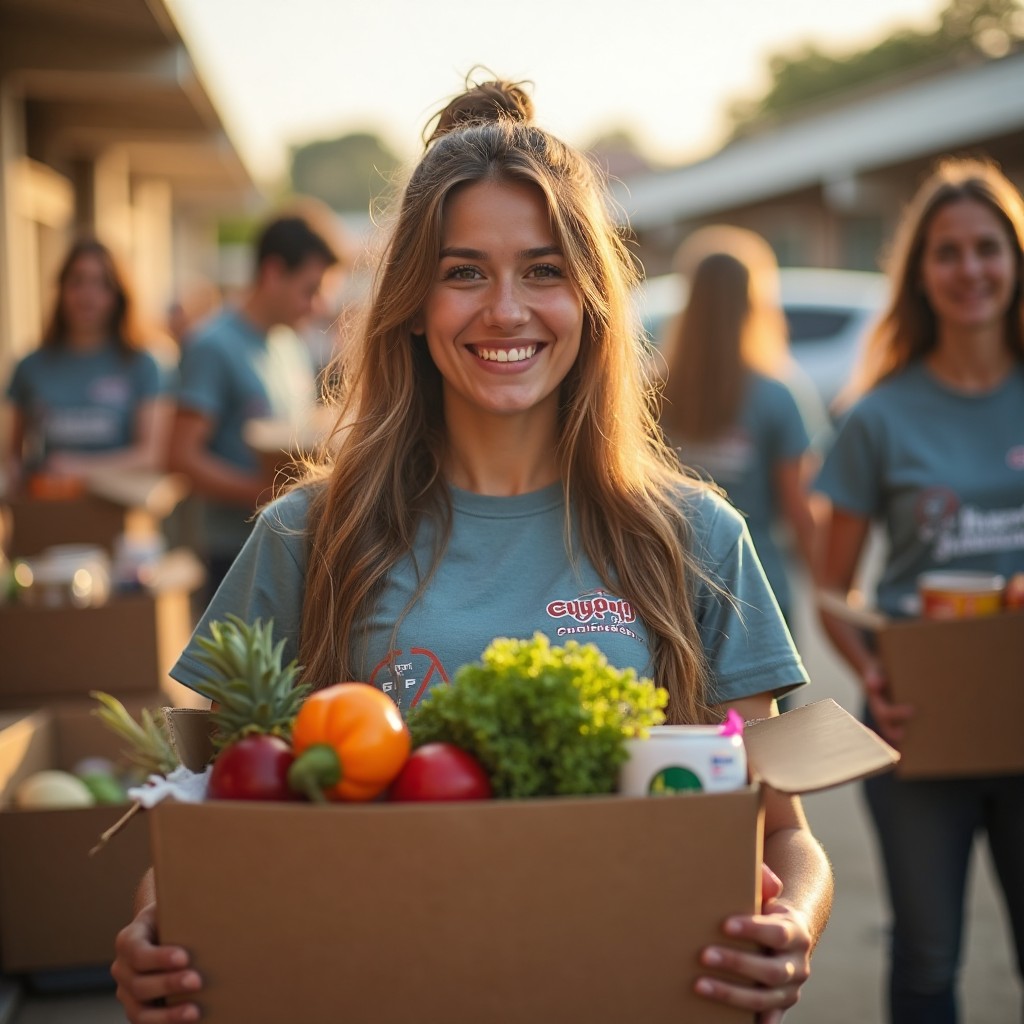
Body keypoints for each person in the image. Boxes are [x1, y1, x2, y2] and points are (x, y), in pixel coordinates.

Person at [112, 81, 833, 1024]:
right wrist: (152, 930)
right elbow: (194, 830)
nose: (505, 310)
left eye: (542, 271)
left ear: (591, 298)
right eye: (463, 273)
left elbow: (785, 835)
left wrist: (797, 930)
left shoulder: (695, 538)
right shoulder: (305, 537)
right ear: (412, 302)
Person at [814, 157, 1024, 1023]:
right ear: (920, 273)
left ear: (1014, 260)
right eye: (948, 252)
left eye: (988, 248)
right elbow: (831, 593)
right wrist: (882, 687)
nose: (970, 269)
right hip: (921, 731)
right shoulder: (878, 417)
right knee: (928, 963)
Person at [657, 225, 825, 649]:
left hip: (667, 593)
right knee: (767, 720)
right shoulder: (776, 394)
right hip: (759, 598)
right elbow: (802, 513)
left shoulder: (650, 392)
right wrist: (832, 592)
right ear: (755, 302)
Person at [167, 209, 341, 595]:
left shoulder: (289, 342)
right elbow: (179, 457)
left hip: (290, 540)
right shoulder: (212, 345)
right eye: (309, 290)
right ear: (273, 272)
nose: (315, 306)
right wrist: (263, 494)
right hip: (231, 553)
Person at [3, 238, 171, 495]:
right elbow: (10, 457)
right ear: (61, 289)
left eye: (101, 283)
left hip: (119, 514)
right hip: (49, 510)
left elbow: (152, 456)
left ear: (119, 294)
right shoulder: (30, 366)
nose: (87, 295)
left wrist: (81, 468)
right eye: (77, 281)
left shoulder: (145, 364)